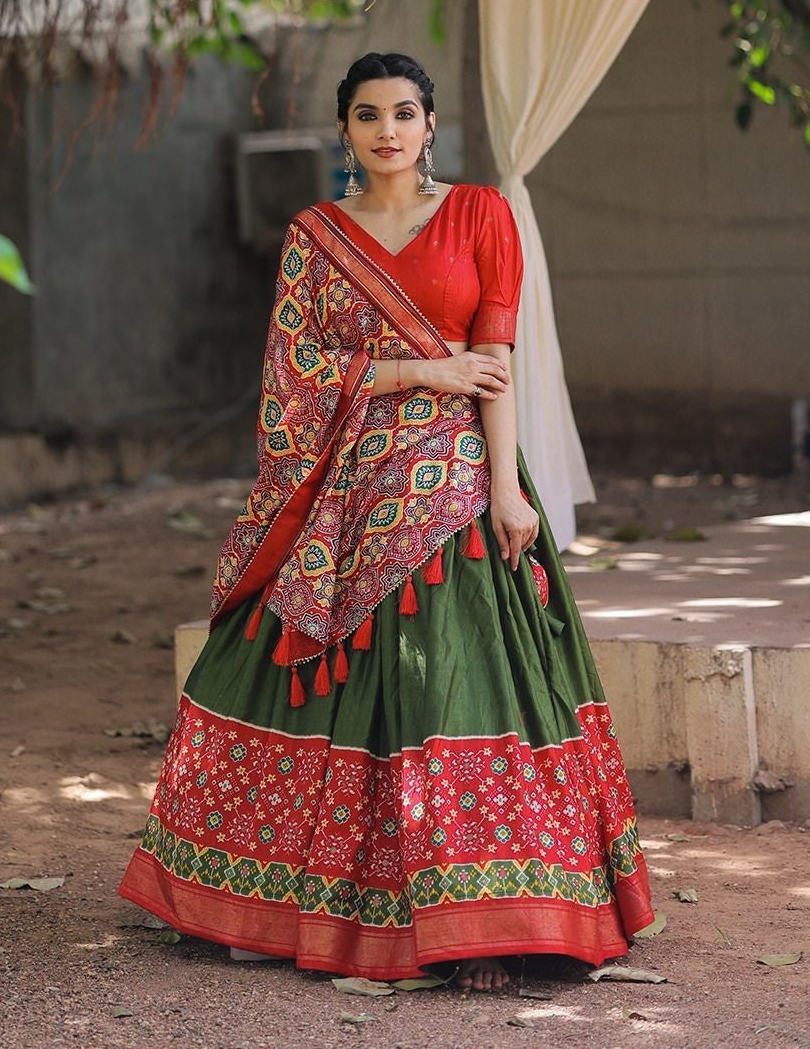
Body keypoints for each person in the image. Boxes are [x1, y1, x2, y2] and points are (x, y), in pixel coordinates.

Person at [118, 51, 654, 991]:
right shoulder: (315, 234)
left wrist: (506, 489)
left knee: (462, 680)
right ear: (346, 131)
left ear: (431, 122)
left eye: (403, 112)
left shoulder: (481, 215)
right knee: (293, 668)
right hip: (346, 488)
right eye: (368, 115)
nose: (388, 130)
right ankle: (265, 896)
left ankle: (492, 918)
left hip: (455, 480)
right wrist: (418, 371)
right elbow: (294, 373)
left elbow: (494, 358)